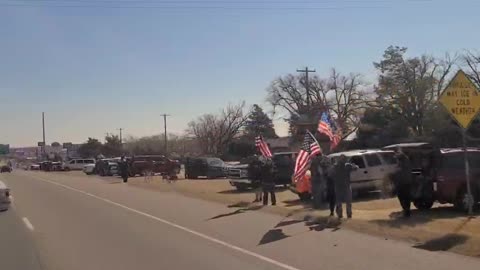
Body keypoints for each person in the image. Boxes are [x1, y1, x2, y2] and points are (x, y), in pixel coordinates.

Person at [394, 151, 413, 217]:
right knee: (406, 198)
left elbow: (400, 173)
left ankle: (406, 211)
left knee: (403, 197)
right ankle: (407, 212)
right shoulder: (406, 162)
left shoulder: (403, 164)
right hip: (406, 183)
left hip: (403, 183)